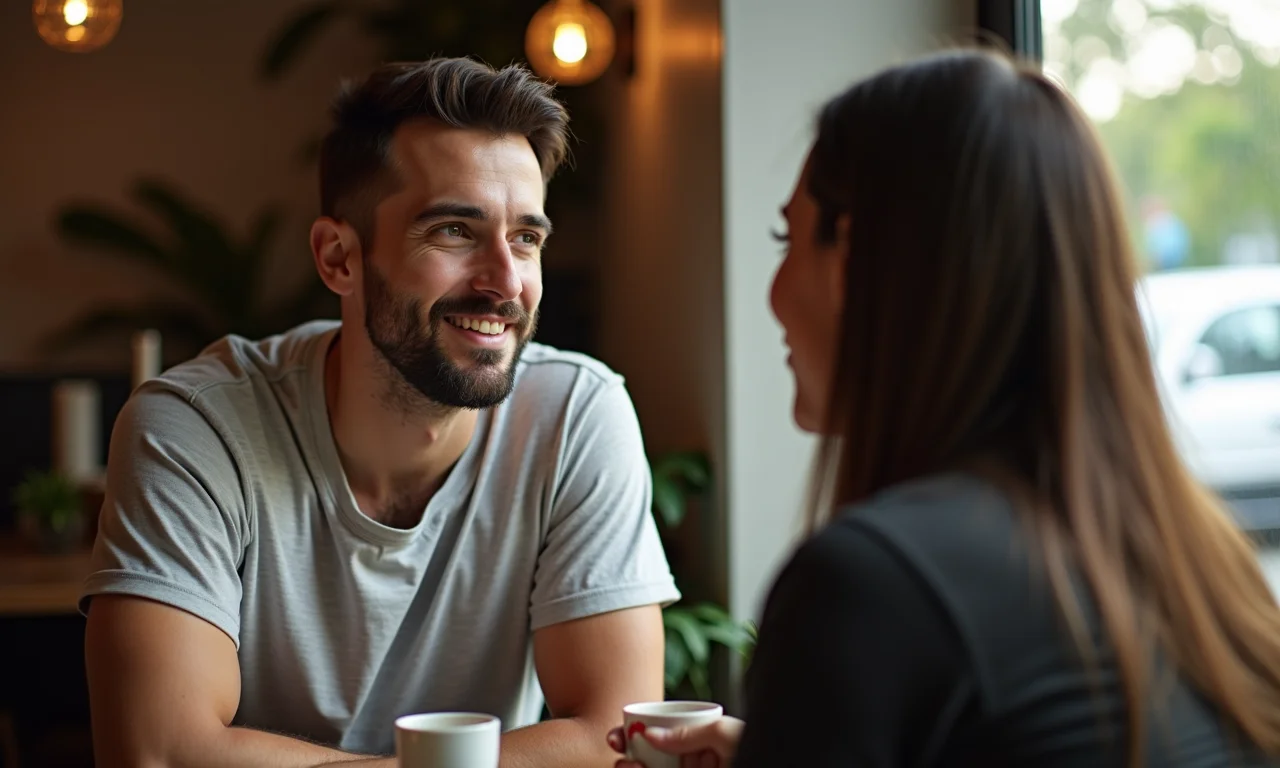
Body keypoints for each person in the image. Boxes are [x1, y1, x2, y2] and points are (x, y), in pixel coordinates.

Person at [610, 49, 1280, 766]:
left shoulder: (869, 587)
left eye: (788, 239)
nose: (772, 294)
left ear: (852, 261)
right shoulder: (1202, 564)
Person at [81, 57, 680, 767]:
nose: (505, 282)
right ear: (339, 257)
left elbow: (613, 739)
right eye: (454, 231)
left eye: (526, 238)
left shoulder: (575, 414)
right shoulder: (196, 427)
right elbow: (157, 752)